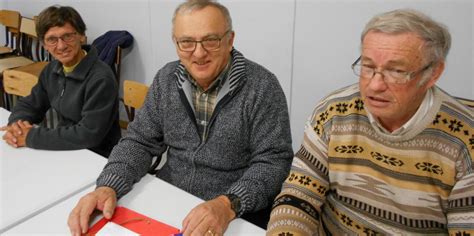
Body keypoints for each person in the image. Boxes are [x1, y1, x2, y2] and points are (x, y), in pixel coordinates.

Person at [68, 0, 293, 235]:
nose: (199, 52)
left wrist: (228, 204)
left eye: (211, 40)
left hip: (235, 214)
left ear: (230, 40)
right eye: (187, 42)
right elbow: (139, 141)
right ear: (176, 43)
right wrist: (108, 186)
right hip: (170, 199)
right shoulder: (166, 79)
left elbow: (274, 162)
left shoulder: (262, 87)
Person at [267, 9, 473, 235]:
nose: (375, 85)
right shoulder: (333, 112)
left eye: (396, 71)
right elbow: (299, 194)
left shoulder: (466, 139)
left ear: (433, 73)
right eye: (368, 67)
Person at [0, 6, 121, 157]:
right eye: (52, 39)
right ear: (44, 45)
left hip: (96, 156)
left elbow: (88, 135)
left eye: (67, 36)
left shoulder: (101, 79)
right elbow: (30, 104)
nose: (61, 46)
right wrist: (16, 125)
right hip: (65, 148)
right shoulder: (52, 69)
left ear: (82, 36)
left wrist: (31, 137)